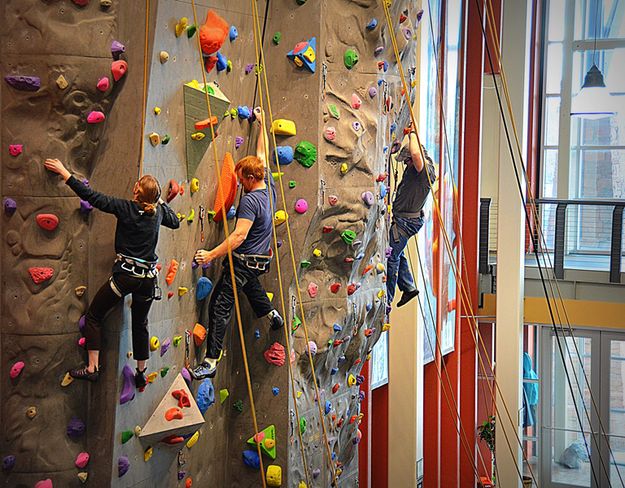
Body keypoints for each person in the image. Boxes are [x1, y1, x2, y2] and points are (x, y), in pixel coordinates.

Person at [43, 158, 180, 385]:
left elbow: (92, 197)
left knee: (94, 316)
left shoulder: (125, 208)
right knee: (140, 323)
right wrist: (161, 201)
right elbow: (175, 222)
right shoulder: (158, 213)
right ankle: (140, 373)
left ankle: (92, 367)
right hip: (147, 281)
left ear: (136, 191)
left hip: (125, 277)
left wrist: (65, 173)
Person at [192, 107, 283, 380]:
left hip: (243, 261)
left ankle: (210, 361)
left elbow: (238, 236)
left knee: (220, 305)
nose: (239, 183)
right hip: (260, 261)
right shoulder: (268, 186)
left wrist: (210, 254)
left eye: (242, 179)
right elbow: (263, 155)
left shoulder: (250, 200)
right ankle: (271, 316)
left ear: (251, 179)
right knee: (251, 286)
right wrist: (262, 122)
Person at [386, 122, 437, 310]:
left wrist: (413, 133)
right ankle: (408, 286)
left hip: (406, 222)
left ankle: (387, 300)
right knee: (397, 251)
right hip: (405, 219)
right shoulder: (417, 171)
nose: (406, 165)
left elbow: (416, 155)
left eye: (406, 162)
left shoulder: (423, 173)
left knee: (391, 256)